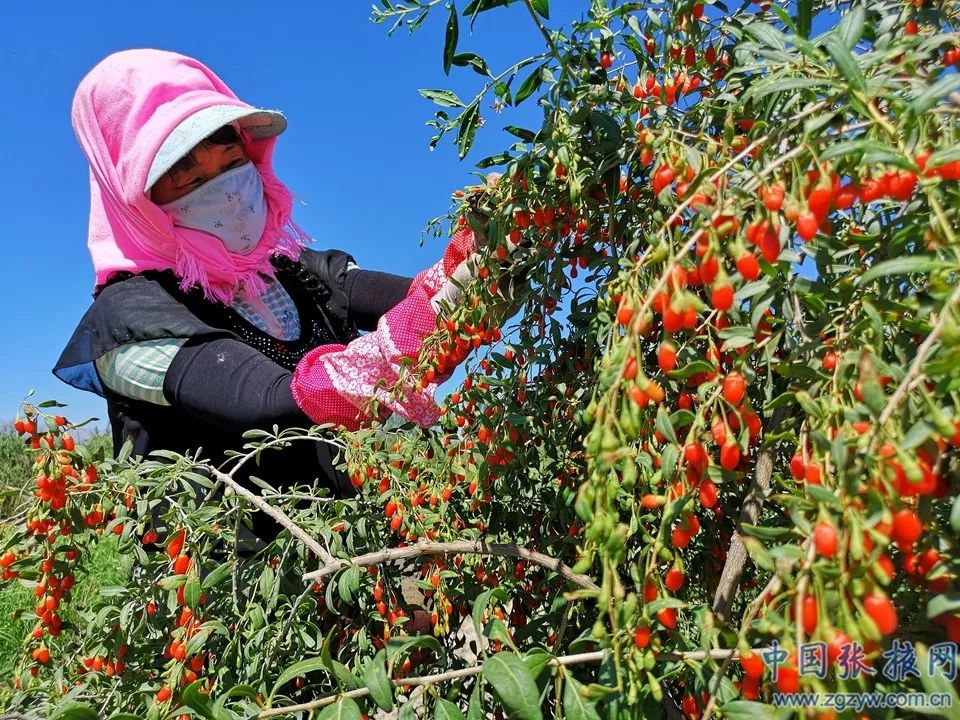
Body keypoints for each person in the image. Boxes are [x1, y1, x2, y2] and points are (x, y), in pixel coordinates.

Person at [53, 49, 524, 542]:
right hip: (242, 598)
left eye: (232, 162)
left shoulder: (297, 271)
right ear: (134, 197)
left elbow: (418, 295)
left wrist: (487, 249)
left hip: (353, 551)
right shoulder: (129, 320)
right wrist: (434, 317)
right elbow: (273, 402)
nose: (227, 191)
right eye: (189, 178)